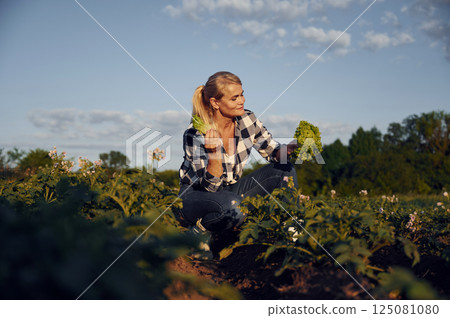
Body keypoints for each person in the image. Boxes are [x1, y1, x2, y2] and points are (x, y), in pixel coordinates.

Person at [175, 71, 298, 257]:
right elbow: (210, 187)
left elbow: (273, 151)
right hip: (195, 196)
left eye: (242, 94)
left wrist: (291, 148)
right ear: (216, 103)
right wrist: (214, 154)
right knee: (234, 207)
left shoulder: (247, 120)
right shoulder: (196, 134)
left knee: (284, 169)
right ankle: (198, 234)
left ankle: (292, 233)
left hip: (229, 191)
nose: (242, 100)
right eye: (235, 98)